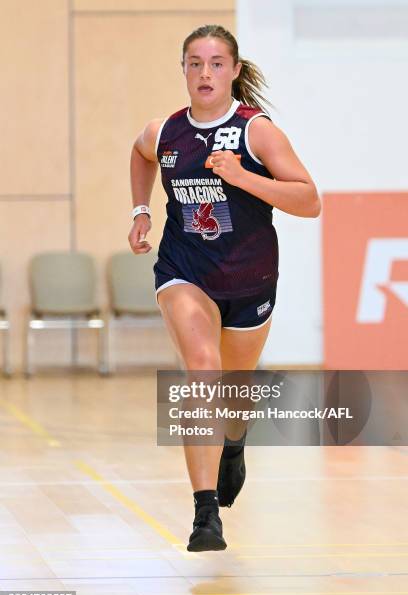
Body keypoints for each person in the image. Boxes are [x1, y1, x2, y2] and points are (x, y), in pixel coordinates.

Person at [128, 24, 321, 552]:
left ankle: (233, 444)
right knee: (202, 371)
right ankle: (204, 513)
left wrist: (241, 178)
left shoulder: (257, 131)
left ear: (234, 71)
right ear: (184, 70)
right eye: (195, 63)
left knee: (233, 394)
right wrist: (142, 211)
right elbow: (140, 153)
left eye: (216, 63)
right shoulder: (165, 131)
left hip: (249, 279)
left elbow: (309, 200)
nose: (205, 73)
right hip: (185, 270)